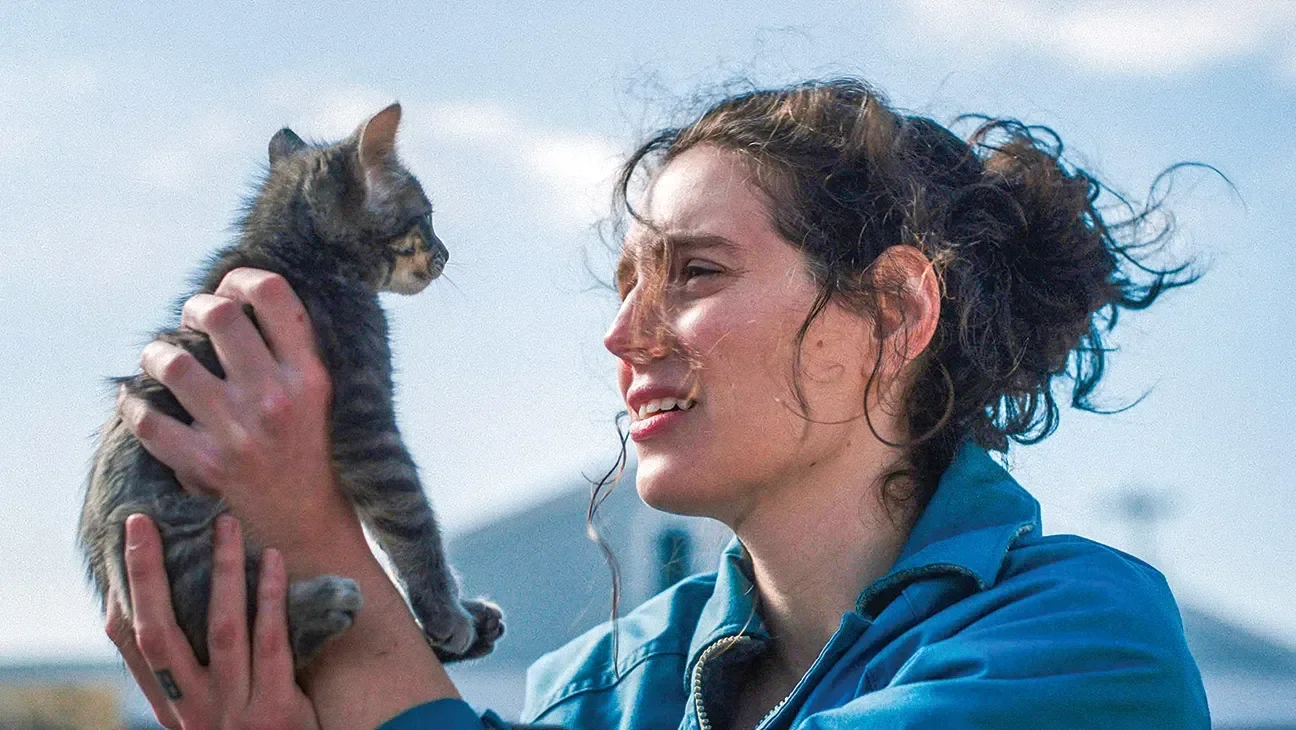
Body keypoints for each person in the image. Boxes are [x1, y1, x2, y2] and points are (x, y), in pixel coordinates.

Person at [107, 78, 1211, 729]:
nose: (621, 335)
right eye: (625, 280)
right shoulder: (594, 691)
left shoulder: (1086, 644)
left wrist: (313, 540)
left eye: (695, 274)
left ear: (894, 308)